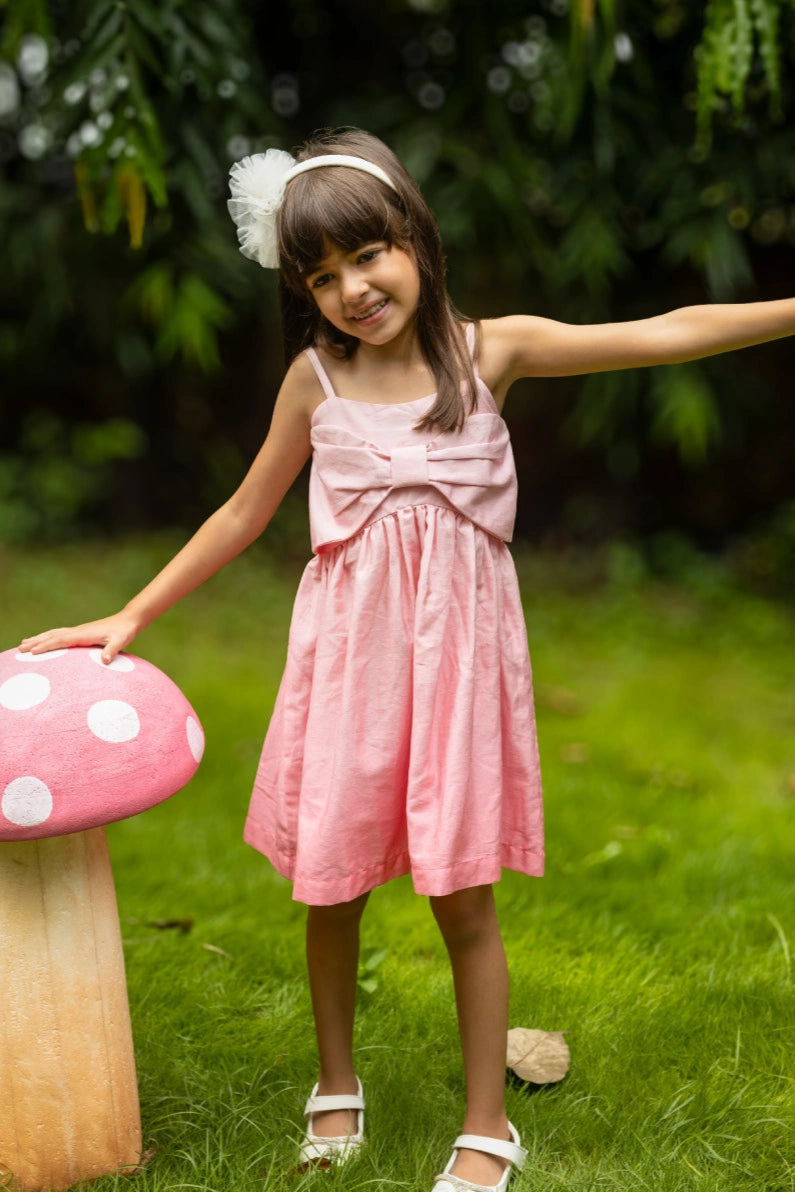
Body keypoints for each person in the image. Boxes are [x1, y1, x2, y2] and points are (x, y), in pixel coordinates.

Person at [19, 128, 795, 1192]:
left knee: (464, 897)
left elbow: (663, 331)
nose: (351, 288)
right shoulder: (315, 384)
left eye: (368, 254)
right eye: (321, 276)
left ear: (415, 238)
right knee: (329, 886)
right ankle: (335, 1083)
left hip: (461, 677)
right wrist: (130, 614)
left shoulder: (494, 352)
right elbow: (244, 512)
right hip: (347, 671)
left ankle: (488, 1126)